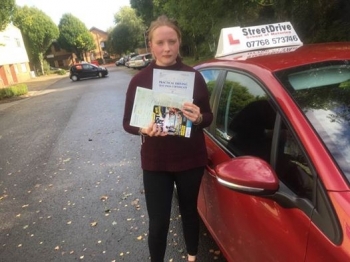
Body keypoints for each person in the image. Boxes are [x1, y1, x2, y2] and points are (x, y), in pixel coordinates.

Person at [123, 15, 213, 262]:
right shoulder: (139, 81)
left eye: (172, 41)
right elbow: (128, 123)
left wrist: (197, 119)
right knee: (158, 222)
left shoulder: (193, 77)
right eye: (160, 42)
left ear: (179, 42)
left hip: (190, 159)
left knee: (190, 213)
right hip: (156, 163)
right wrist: (143, 129)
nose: (166, 48)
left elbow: (208, 117)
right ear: (150, 45)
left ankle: (193, 257)